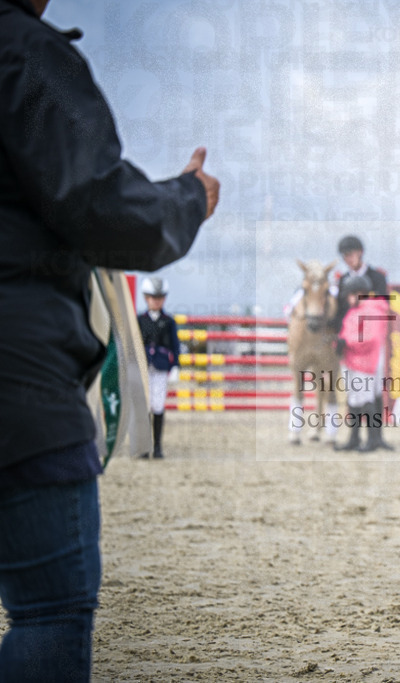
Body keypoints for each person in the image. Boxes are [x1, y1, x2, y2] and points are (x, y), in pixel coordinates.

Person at [0, 0, 219, 678]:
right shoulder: (24, 52)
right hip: (18, 366)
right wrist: (189, 196)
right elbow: (102, 208)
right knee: (48, 609)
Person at [335, 275, 393, 453]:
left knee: (365, 399)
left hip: (365, 362)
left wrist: (347, 343)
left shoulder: (373, 311)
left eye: (350, 295)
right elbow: (347, 332)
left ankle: (372, 439)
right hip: (353, 361)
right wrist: (338, 343)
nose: (347, 299)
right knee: (354, 400)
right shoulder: (354, 311)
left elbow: (371, 338)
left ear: (359, 293)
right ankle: (355, 438)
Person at [137, 278, 180, 459]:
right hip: (144, 366)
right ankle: (144, 447)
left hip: (161, 367)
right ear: (146, 298)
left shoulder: (169, 321)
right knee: (145, 405)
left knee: (158, 405)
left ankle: (158, 447)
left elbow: (175, 345)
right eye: (153, 297)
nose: (156, 301)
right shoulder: (139, 320)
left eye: (160, 297)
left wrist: (176, 366)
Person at [332, 235, 389, 332]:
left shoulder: (377, 277)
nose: (348, 259)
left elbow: (383, 304)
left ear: (360, 252)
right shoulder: (343, 280)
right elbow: (340, 308)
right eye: (345, 255)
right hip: (348, 331)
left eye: (351, 254)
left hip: (371, 328)